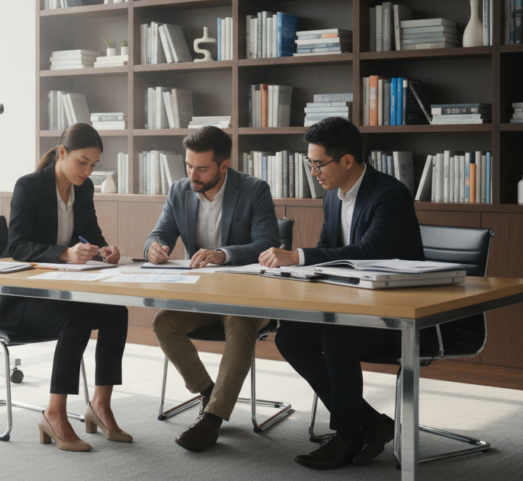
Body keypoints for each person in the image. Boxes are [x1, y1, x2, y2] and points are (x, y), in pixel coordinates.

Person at [258, 117, 425, 470]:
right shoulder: (333, 198)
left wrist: (298, 256)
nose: (314, 171)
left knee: (337, 337)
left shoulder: (390, 194)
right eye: (310, 163)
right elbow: (327, 251)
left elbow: (368, 252)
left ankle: (347, 434)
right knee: (290, 336)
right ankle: (371, 422)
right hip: (353, 307)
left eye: (318, 164)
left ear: (347, 161)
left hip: (398, 313)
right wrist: (294, 271)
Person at [143, 126, 280, 453]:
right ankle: (209, 391)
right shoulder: (179, 191)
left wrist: (224, 254)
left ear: (224, 165)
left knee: (240, 322)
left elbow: (268, 242)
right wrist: (155, 248)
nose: (193, 174)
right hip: (202, 296)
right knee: (164, 323)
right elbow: (158, 233)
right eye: (189, 165)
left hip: (248, 296)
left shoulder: (254, 190)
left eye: (202, 168)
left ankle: (212, 419)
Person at [0, 123, 130, 452]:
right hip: (18, 297)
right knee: (76, 319)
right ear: (61, 153)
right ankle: (54, 412)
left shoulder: (82, 190)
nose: (87, 171)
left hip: (57, 291)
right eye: (82, 162)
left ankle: (100, 405)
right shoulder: (29, 186)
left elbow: (91, 234)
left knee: (116, 313)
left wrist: (105, 250)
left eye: (94, 165)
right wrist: (63, 253)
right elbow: (17, 246)